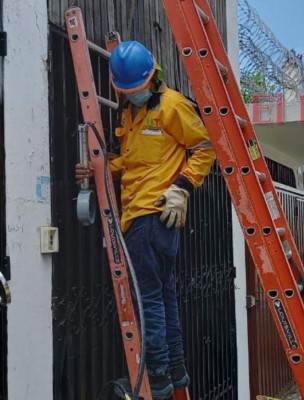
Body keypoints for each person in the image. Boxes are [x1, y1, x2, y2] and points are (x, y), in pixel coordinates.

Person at [75, 41, 216, 399]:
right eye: (127, 91)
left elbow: (205, 147)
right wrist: (98, 168)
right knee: (164, 298)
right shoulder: (130, 114)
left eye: (137, 90)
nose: (133, 96)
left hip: (152, 215)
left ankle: (156, 379)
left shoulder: (172, 106)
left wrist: (182, 187)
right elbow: (133, 163)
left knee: (150, 301)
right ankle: (174, 370)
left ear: (152, 79)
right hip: (147, 217)